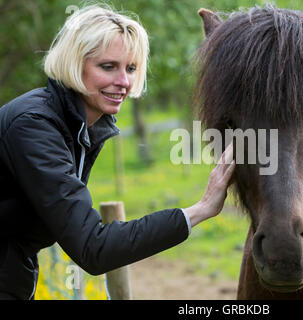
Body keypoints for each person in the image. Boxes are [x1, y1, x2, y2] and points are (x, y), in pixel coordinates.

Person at [0, 5, 235, 300]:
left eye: (131, 68)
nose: (124, 81)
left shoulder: (77, 124)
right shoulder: (34, 126)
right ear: (75, 64)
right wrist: (199, 210)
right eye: (108, 67)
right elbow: (93, 247)